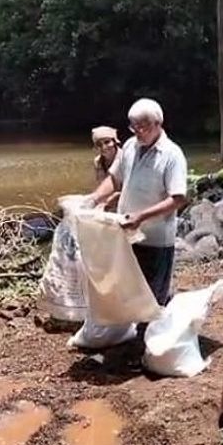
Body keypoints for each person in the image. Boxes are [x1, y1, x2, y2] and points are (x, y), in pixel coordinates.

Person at [88, 98, 188, 305]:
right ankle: (134, 332)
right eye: (134, 127)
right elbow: (115, 179)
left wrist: (141, 217)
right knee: (130, 291)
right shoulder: (130, 146)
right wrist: (94, 198)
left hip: (156, 239)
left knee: (153, 297)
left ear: (158, 124)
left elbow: (178, 198)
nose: (138, 132)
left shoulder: (172, 155)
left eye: (143, 127)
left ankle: (153, 331)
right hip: (128, 233)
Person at [91, 126, 121, 211]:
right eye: (99, 145)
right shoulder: (97, 161)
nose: (104, 147)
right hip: (107, 199)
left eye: (107, 142)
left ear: (115, 142)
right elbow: (101, 185)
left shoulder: (124, 158)